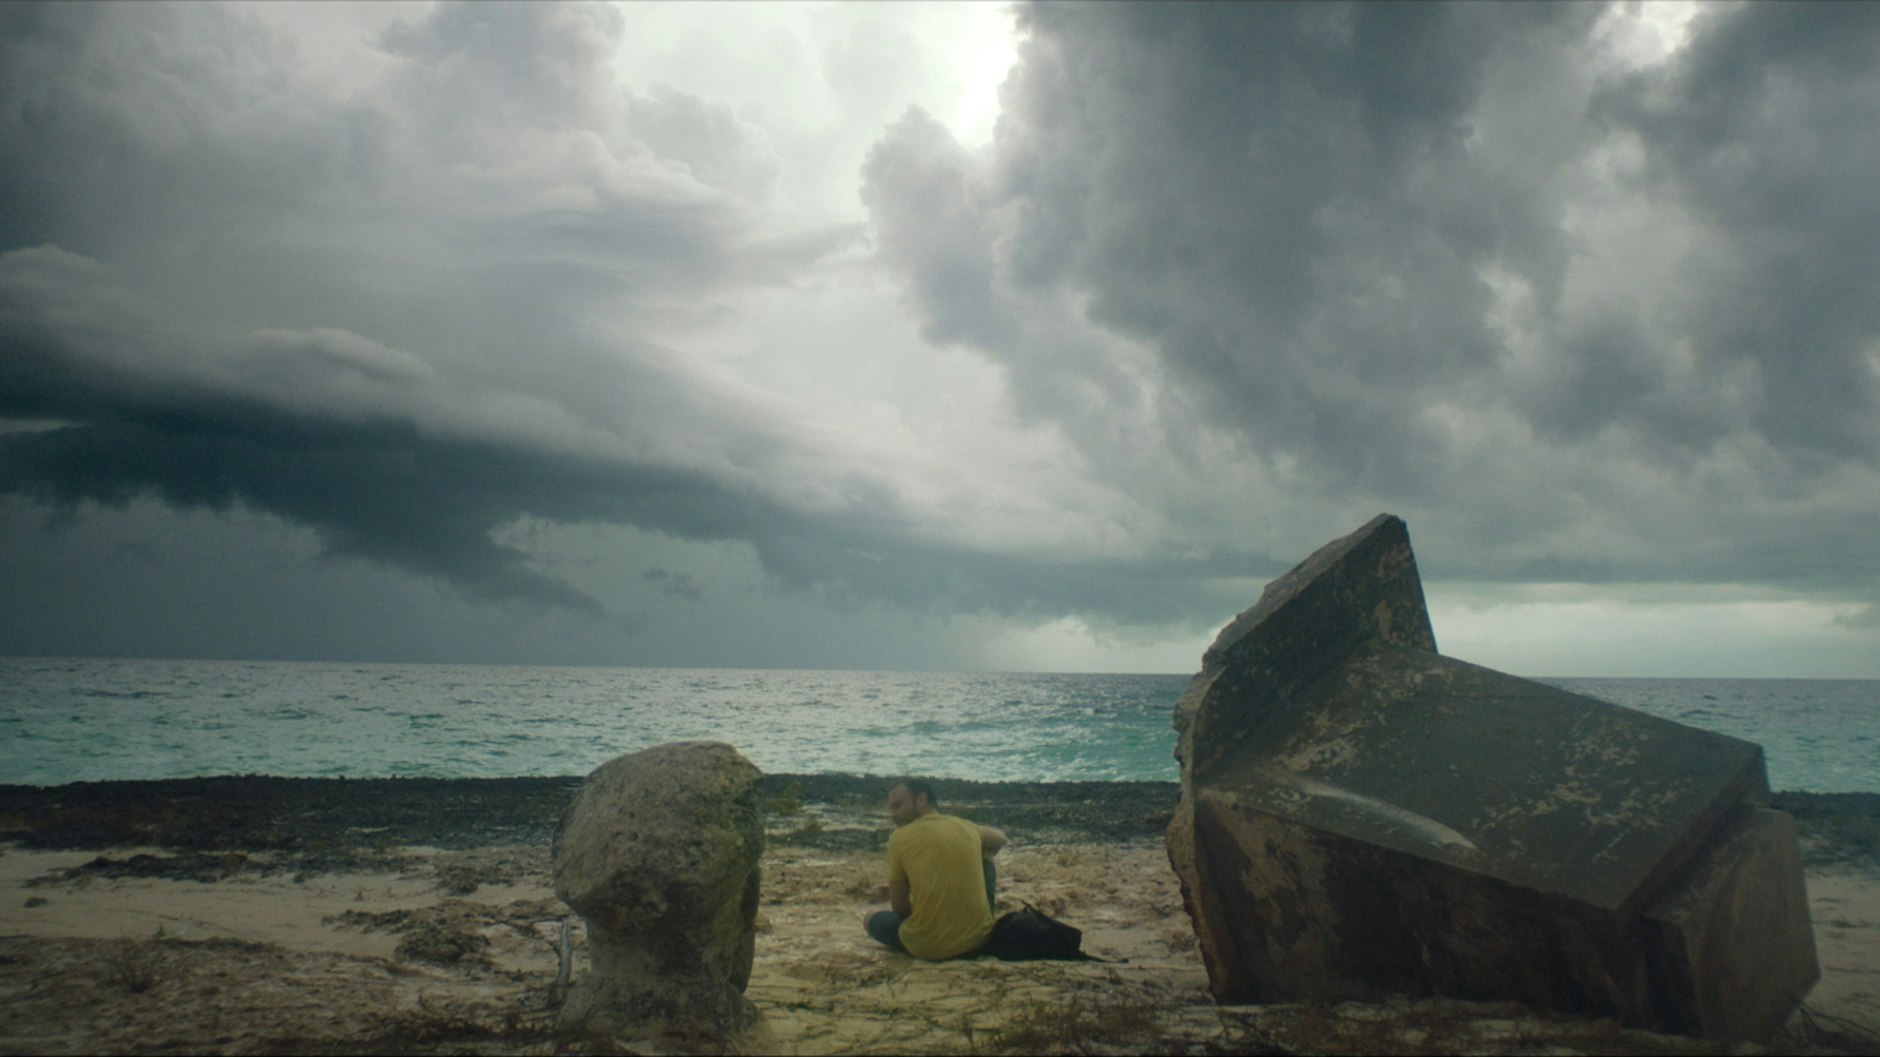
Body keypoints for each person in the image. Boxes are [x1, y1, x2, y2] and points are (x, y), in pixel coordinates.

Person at [862, 778, 1007, 960]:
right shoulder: (964, 826)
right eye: (891, 808)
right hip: (980, 940)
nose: (892, 814)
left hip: (929, 948)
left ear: (921, 800)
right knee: (986, 850)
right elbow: (1000, 839)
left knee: (869, 918)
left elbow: (899, 907)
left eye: (897, 806)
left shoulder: (898, 838)